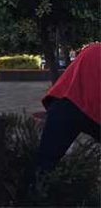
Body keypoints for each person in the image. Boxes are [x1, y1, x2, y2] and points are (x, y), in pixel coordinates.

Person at [37, 43, 100, 172]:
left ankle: (34, 188)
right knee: (45, 163)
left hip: (64, 103)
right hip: (78, 106)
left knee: (44, 164)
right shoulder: (93, 50)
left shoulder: (92, 49)